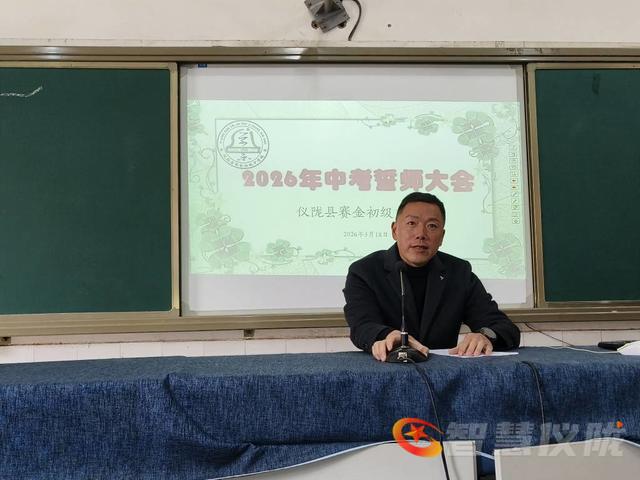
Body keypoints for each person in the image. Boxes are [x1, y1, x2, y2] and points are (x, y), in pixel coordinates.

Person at [343, 192, 520, 361]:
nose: (421, 234)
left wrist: (485, 335)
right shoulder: (365, 271)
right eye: (411, 223)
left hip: (443, 374)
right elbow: (362, 326)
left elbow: (504, 327)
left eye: (432, 226)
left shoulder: (459, 273)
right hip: (387, 369)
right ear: (395, 230)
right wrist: (387, 335)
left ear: (442, 236)